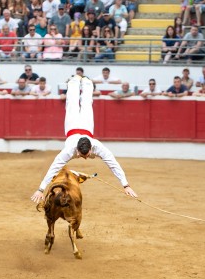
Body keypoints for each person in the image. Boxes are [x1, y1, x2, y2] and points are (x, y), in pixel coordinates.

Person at [30, 75, 138, 205]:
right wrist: (40, 189)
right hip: (73, 126)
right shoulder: (69, 150)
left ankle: (87, 82)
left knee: (84, 104)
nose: (85, 158)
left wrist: (126, 185)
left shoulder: (97, 146)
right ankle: (74, 81)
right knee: (72, 103)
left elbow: (113, 164)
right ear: (77, 149)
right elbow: (53, 168)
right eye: (83, 155)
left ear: (91, 148)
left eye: (85, 155)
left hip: (83, 127)